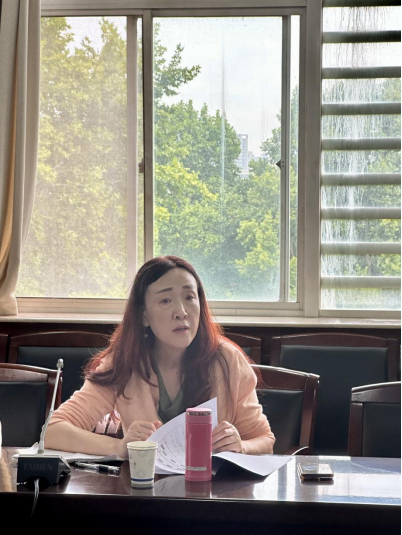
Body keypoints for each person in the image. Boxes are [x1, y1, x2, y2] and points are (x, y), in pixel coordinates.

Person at [46, 256, 275, 458]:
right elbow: (52, 430)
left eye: (189, 297)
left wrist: (241, 446)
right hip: (146, 488)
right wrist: (120, 447)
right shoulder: (125, 361)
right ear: (144, 316)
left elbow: (265, 440)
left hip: (213, 489)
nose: (181, 312)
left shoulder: (228, 360)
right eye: (166, 300)